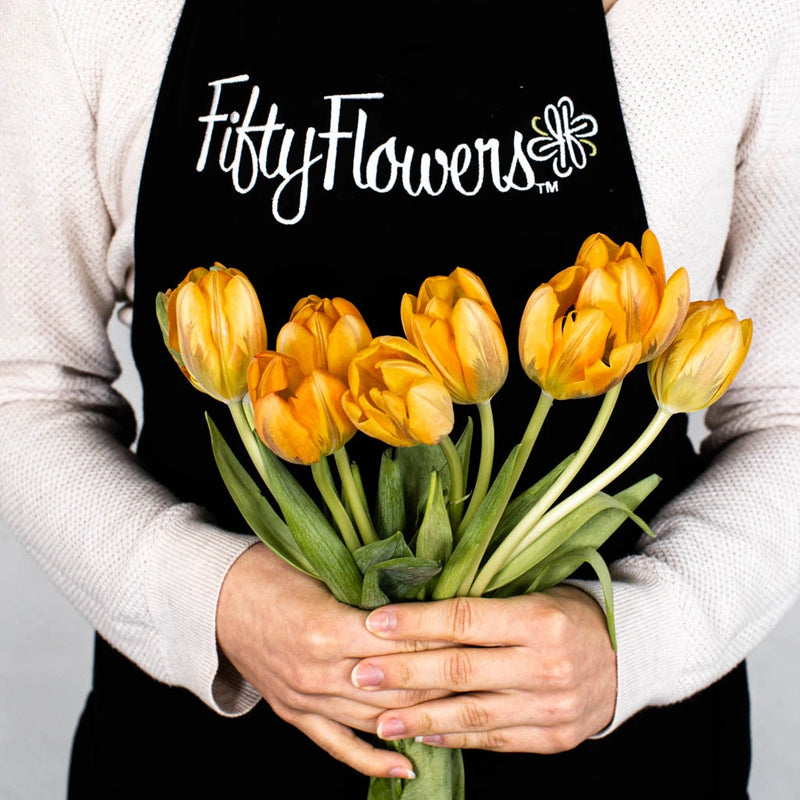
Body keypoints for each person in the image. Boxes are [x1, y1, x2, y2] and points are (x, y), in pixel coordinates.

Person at [1, 0, 798, 797]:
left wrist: (643, 636)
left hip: (623, 764)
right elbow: (25, 385)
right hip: (203, 760)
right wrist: (210, 597)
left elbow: (786, 409)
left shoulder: (729, 18)